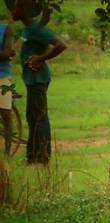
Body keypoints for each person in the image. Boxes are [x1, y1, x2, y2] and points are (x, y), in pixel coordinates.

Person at [11, 0, 66, 165]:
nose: (11, 12)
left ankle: (42, 158)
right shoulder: (28, 29)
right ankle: (31, 157)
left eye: (14, 8)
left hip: (37, 79)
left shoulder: (35, 27)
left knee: (40, 117)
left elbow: (61, 44)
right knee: (32, 117)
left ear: (24, 9)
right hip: (31, 80)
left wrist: (40, 59)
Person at [0, 20, 16, 156]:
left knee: (5, 113)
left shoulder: (5, 29)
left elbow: (6, 53)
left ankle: (7, 151)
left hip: (2, 76)